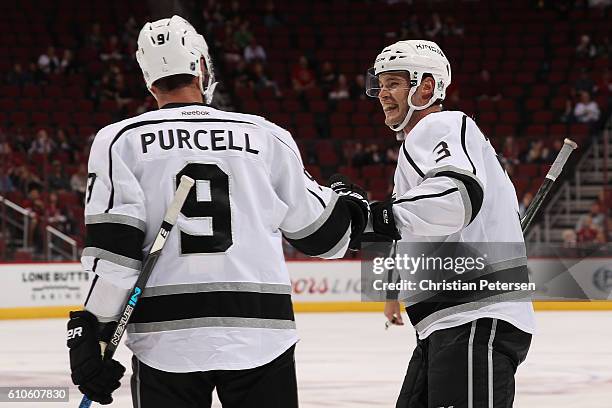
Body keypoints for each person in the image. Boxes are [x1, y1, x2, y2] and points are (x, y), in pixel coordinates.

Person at [66, 16, 369, 408]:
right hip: (261, 333)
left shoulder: (120, 141)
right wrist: (350, 202)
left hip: (166, 341)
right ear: (201, 66)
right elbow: (324, 238)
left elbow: (116, 261)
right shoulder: (265, 135)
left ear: (148, 79)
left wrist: (92, 332)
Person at [362, 40, 535, 408]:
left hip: (473, 320)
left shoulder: (441, 124)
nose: (383, 94)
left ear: (426, 87)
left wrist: (375, 216)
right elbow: (419, 226)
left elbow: (456, 199)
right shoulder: (420, 146)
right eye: (380, 85)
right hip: (447, 324)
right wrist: (395, 287)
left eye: (393, 83)